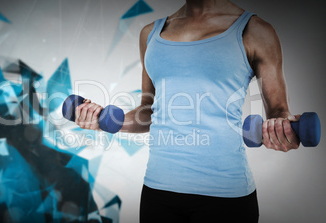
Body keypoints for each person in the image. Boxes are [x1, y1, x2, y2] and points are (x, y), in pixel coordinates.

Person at [74, 0, 300, 222]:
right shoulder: (151, 33)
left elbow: (279, 111)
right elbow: (149, 112)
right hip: (158, 191)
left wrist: (282, 129)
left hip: (225, 195)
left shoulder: (255, 30)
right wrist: (105, 121)